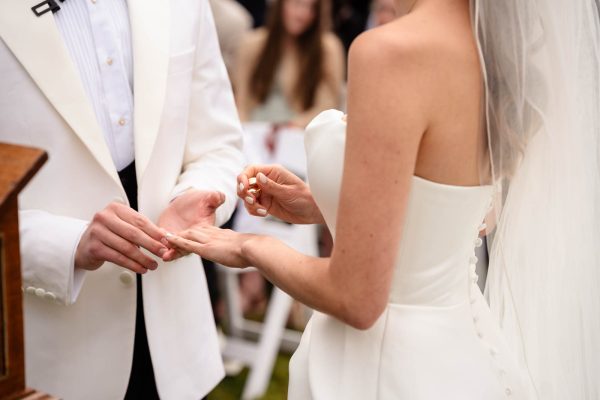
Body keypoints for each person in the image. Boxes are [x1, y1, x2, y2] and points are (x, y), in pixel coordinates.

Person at [168, 0, 600, 398]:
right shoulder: (499, 55)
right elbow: (464, 215)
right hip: (463, 351)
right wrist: (329, 204)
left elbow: (357, 298)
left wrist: (249, 245)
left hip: (381, 367)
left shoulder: (391, 53)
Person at [0, 1, 244, 399]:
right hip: (47, 358)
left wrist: (197, 195)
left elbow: (219, 145)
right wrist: (66, 244)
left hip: (176, 351)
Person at [234, 0, 345, 128]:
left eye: (312, 8)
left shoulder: (326, 48)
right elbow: (242, 100)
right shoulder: (252, 44)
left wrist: (294, 125)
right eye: (297, 4)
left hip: (298, 132)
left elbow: (328, 105)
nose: (302, 14)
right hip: (254, 131)